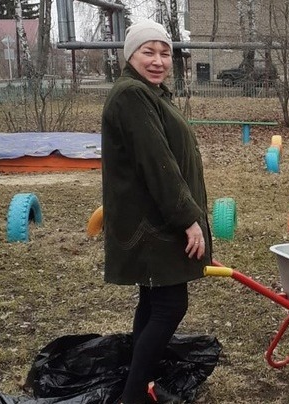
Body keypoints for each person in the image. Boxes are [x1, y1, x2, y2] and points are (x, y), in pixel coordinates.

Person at [101, 19, 212, 404]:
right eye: (148, 51)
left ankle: (141, 384)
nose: (158, 60)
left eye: (164, 52)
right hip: (154, 223)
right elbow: (158, 163)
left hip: (149, 220)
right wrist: (188, 220)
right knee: (169, 305)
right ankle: (134, 395)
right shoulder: (133, 95)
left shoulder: (148, 93)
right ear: (129, 55)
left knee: (151, 303)